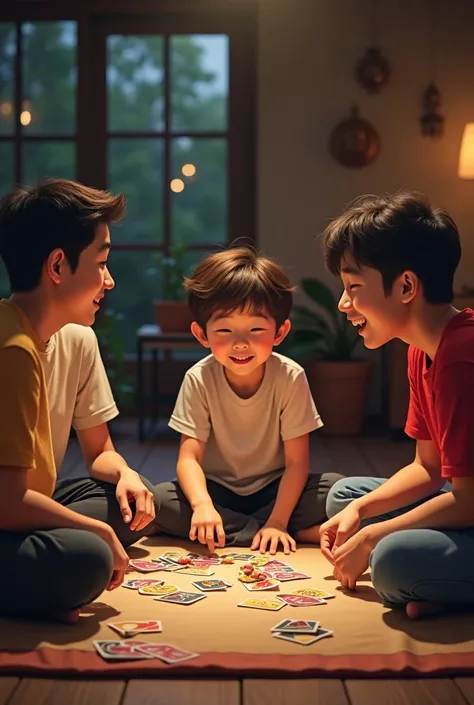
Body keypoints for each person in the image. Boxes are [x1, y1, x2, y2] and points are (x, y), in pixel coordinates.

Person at [0, 178, 159, 623]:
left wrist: (125, 473)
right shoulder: (11, 348)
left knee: (136, 502)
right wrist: (93, 531)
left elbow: (100, 452)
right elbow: (8, 502)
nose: (108, 280)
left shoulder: (75, 338)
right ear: (57, 266)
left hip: (28, 500)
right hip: (7, 510)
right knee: (89, 557)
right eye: (102, 263)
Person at [318, 191, 474, 619]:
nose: (343, 304)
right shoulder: (419, 349)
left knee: (390, 561)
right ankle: (440, 588)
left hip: (470, 502)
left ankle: (439, 588)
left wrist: (372, 538)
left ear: (406, 286)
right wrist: (360, 512)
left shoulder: (462, 356)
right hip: (465, 498)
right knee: (345, 498)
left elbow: (468, 501)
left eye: (353, 287)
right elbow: (429, 467)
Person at [154, 247, 341, 555]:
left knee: (337, 489)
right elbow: (189, 459)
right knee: (161, 498)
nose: (241, 343)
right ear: (202, 334)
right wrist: (202, 505)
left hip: (275, 490)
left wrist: (279, 520)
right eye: (224, 330)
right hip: (216, 490)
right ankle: (281, 532)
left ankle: (254, 530)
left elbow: (297, 463)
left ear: (280, 332)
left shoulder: (290, 376)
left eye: (256, 329)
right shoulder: (199, 378)